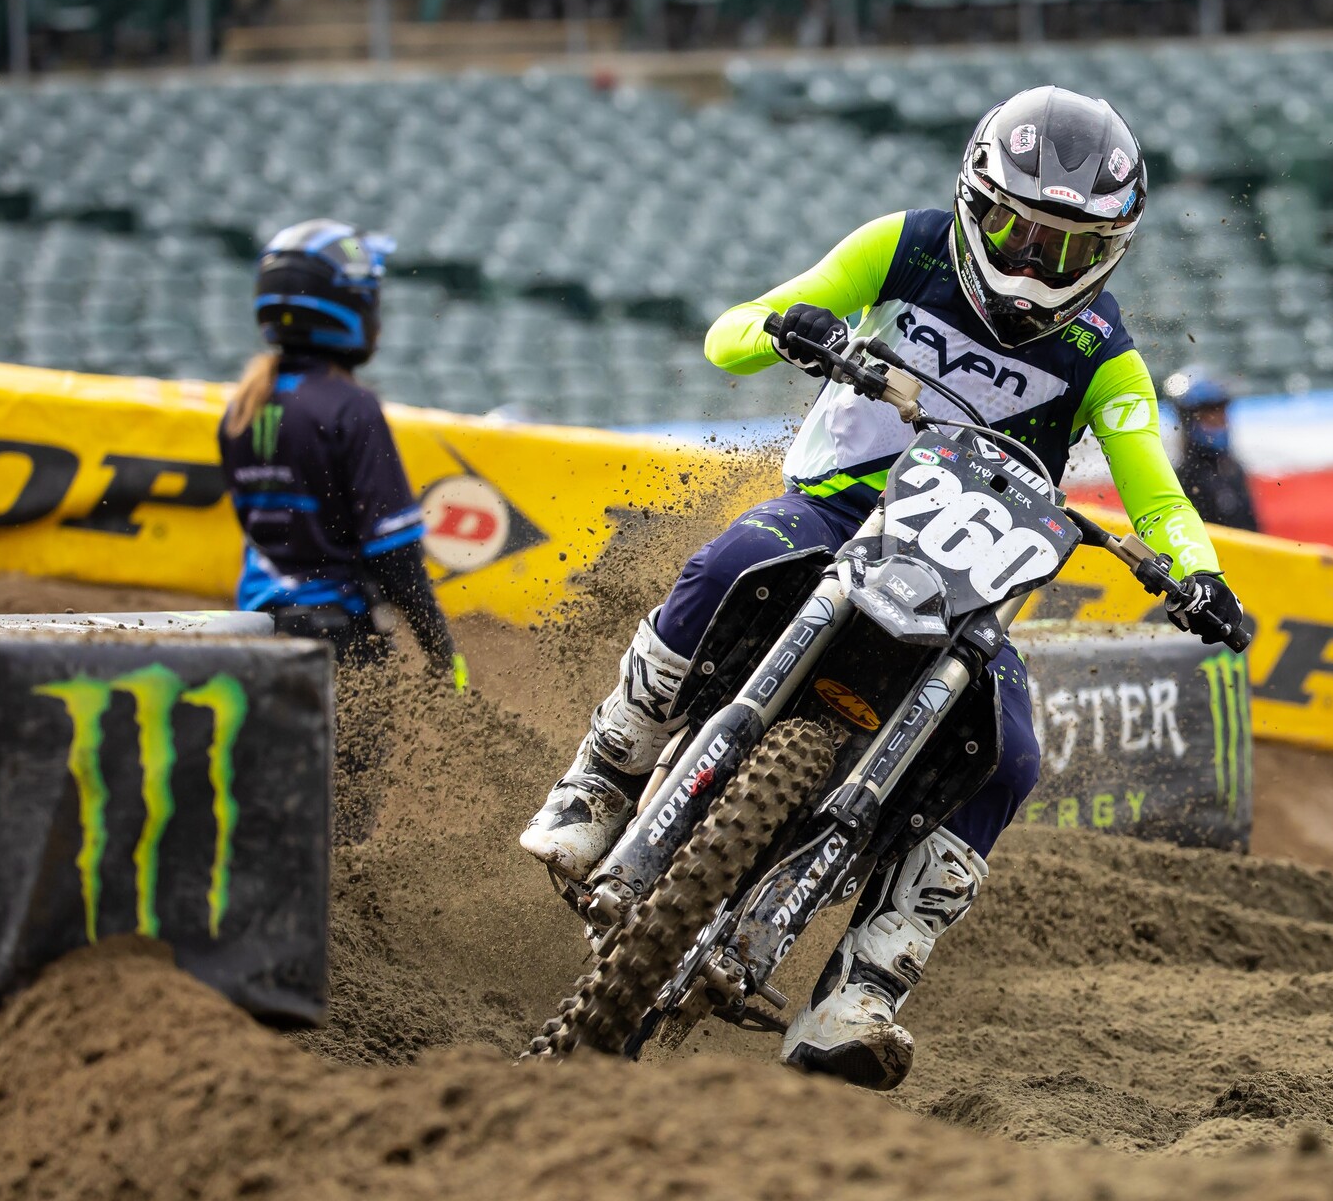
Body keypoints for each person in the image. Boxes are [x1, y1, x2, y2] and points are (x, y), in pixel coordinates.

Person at [519, 86, 1246, 1088]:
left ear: (1110, 253)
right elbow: (730, 331)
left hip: (971, 580)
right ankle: (602, 776)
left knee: (1011, 757)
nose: (1035, 266)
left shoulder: (1106, 359)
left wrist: (1200, 578)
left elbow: (1158, 501)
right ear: (973, 202)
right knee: (725, 563)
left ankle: (865, 987)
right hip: (842, 508)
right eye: (1018, 233)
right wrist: (785, 327)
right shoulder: (901, 249)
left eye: (1067, 250)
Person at [216, 220, 463, 686]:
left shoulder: (241, 409)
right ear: (347, 306)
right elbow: (394, 553)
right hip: (338, 641)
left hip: (253, 631)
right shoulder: (352, 407)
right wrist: (441, 653)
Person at [1161, 367, 1259, 532]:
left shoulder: (1232, 468)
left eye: (1221, 411)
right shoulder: (1184, 477)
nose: (1220, 420)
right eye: (1210, 413)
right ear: (1190, 419)